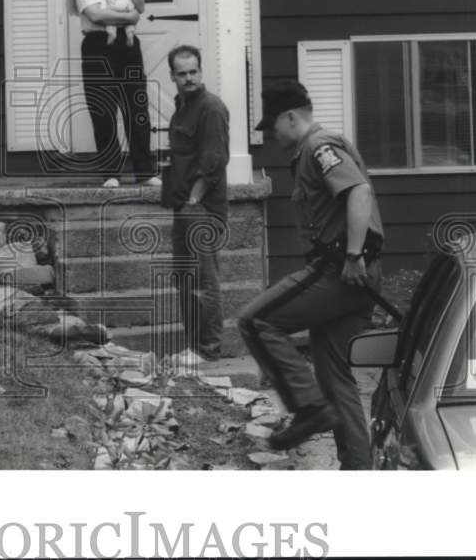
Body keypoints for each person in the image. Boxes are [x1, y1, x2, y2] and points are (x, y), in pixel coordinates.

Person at [237, 80, 384, 469]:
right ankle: (358, 469)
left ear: (291, 117)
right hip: (352, 276)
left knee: (255, 321)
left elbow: (359, 193)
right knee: (335, 379)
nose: (270, 134)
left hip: (342, 272)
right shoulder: (311, 152)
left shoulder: (320, 148)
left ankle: (308, 410)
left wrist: (353, 255)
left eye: (272, 126)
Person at [68, 0, 160, 188]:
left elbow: (139, 6)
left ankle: (145, 171)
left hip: (128, 47)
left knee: (137, 108)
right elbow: (96, 15)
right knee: (103, 109)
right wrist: (128, 16)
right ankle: (111, 173)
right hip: (99, 47)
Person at [163, 45, 229, 365]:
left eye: (193, 71)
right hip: (184, 205)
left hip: (201, 207)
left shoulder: (211, 108)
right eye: (182, 73)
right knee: (185, 278)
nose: (189, 78)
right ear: (172, 76)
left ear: (201, 71)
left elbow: (214, 161)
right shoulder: (182, 106)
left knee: (204, 281)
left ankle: (208, 349)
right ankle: (193, 347)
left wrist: (193, 199)